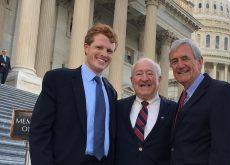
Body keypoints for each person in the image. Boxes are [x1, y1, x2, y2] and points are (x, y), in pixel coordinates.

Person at [29, 23, 118, 165]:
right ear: (86, 47)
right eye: (99, 47)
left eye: (109, 51)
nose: (104, 54)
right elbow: (39, 130)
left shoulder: (111, 92)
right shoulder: (58, 79)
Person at [169, 38, 230, 165]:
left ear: (200, 62)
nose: (180, 65)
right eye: (174, 61)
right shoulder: (184, 97)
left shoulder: (221, 92)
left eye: (185, 58)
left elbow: (225, 155)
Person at [115, 58, 177, 165]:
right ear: (131, 80)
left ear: (159, 79)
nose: (144, 78)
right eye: (139, 74)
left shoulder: (174, 110)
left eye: (150, 73)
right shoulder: (118, 108)